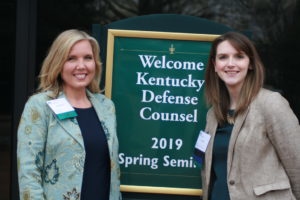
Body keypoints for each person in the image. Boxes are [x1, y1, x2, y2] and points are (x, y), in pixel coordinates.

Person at [17, 29, 122, 200]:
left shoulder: (106, 107)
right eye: (71, 58)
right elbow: (29, 173)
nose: (81, 65)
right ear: (58, 63)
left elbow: (112, 170)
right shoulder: (39, 106)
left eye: (88, 58)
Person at [201, 31, 300, 200]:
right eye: (223, 57)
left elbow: (297, 166)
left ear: (251, 64)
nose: (230, 64)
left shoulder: (271, 104)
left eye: (239, 57)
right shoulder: (213, 114)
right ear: (215, 65)